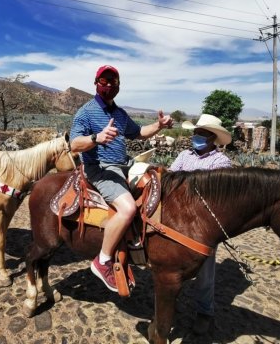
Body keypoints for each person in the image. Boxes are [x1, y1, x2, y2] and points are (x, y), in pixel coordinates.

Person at [70, 65, 173, 292]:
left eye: (113, 82)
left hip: (125, 164)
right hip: (100, 168)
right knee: (127, 208)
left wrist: (159, 125)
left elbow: (138, 132)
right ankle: (103, 260)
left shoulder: (119, 113)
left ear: (118, 86)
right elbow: (74, 144)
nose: (108, 86)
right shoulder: (85, 112)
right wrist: (97, 137)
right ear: (96, 83)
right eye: (104, 81)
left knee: (158, 180)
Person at [169, 113, 232, 335]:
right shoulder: (184, 155)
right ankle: (170, 303)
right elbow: (170, 177)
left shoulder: (220, 162)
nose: (196, 136)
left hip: (203, 222)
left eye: (202, 134)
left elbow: (215, 193)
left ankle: (205, 312)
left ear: (213, 138)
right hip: (176, 217)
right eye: (196, 132)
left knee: (205, 269)